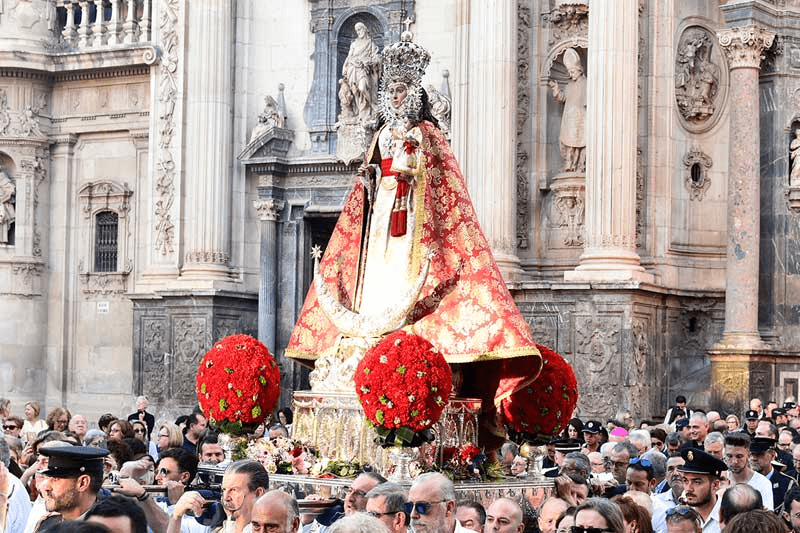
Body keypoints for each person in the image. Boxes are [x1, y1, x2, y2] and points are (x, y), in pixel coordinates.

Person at [286, 30, 543, 448]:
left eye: (402, 90)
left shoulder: (427, 134)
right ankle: (368, 327)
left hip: (412, 218)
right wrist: (370, 178)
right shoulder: (381, 135)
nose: (396, 96)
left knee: (401, 268)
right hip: (382, 213)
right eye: (392, 90)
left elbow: (441, 183)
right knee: (374, 270)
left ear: (414, 93)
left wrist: (413, 172)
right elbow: (371, 173)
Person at [169, 459, 269, 533]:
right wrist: (176, 516)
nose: (226, 498)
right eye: (224, 490)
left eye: (234, 490)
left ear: (258, 493)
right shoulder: (214, 529)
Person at [33, 446, 109, 532]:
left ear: (83, 483)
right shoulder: (47, 524)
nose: (46, 488)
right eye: (47, 478)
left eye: (56, 479)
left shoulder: (111, 527)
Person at [548, 47, 586, 173]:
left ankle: (578, 164)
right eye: (570, 72)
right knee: (568, 142)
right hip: (569, 119)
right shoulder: (569, 85)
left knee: (580, 141)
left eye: (573, 72)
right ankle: (569, 164)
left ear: (579, 70)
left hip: (581, 118)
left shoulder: (586, 84)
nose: (571, 74)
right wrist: (556, 89)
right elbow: (563, 98)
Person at [676, 447, 727, 533]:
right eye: (685, 481)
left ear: (715, 485)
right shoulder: (677, 516)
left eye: (696, 482)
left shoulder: (730, 517)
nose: (689, 488)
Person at [339, 21, 381, 121]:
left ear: (365, 29)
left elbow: (376, 57)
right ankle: (360, 112)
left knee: (362, 88)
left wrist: (369, 61)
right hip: (353, 69)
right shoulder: (354, 44)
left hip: (363, 69)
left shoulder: (370, 43)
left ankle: (372, 105)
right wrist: (345, 67)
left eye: (360, 29)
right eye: (357, 30)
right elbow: (349, 57)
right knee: (355, 91)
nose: (358, 32)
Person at [723, 432, 772, 509]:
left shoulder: (762, 484)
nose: (734, 461)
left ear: (748, 456)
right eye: (729, 456)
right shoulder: (720, 481)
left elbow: (767, 514)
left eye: (739, 456)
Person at [748, 436, 796, 512]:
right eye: (751, 454)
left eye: (759, 454)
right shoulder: (743, 481)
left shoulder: (787, 484)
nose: (753, 458)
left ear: (772, 455)